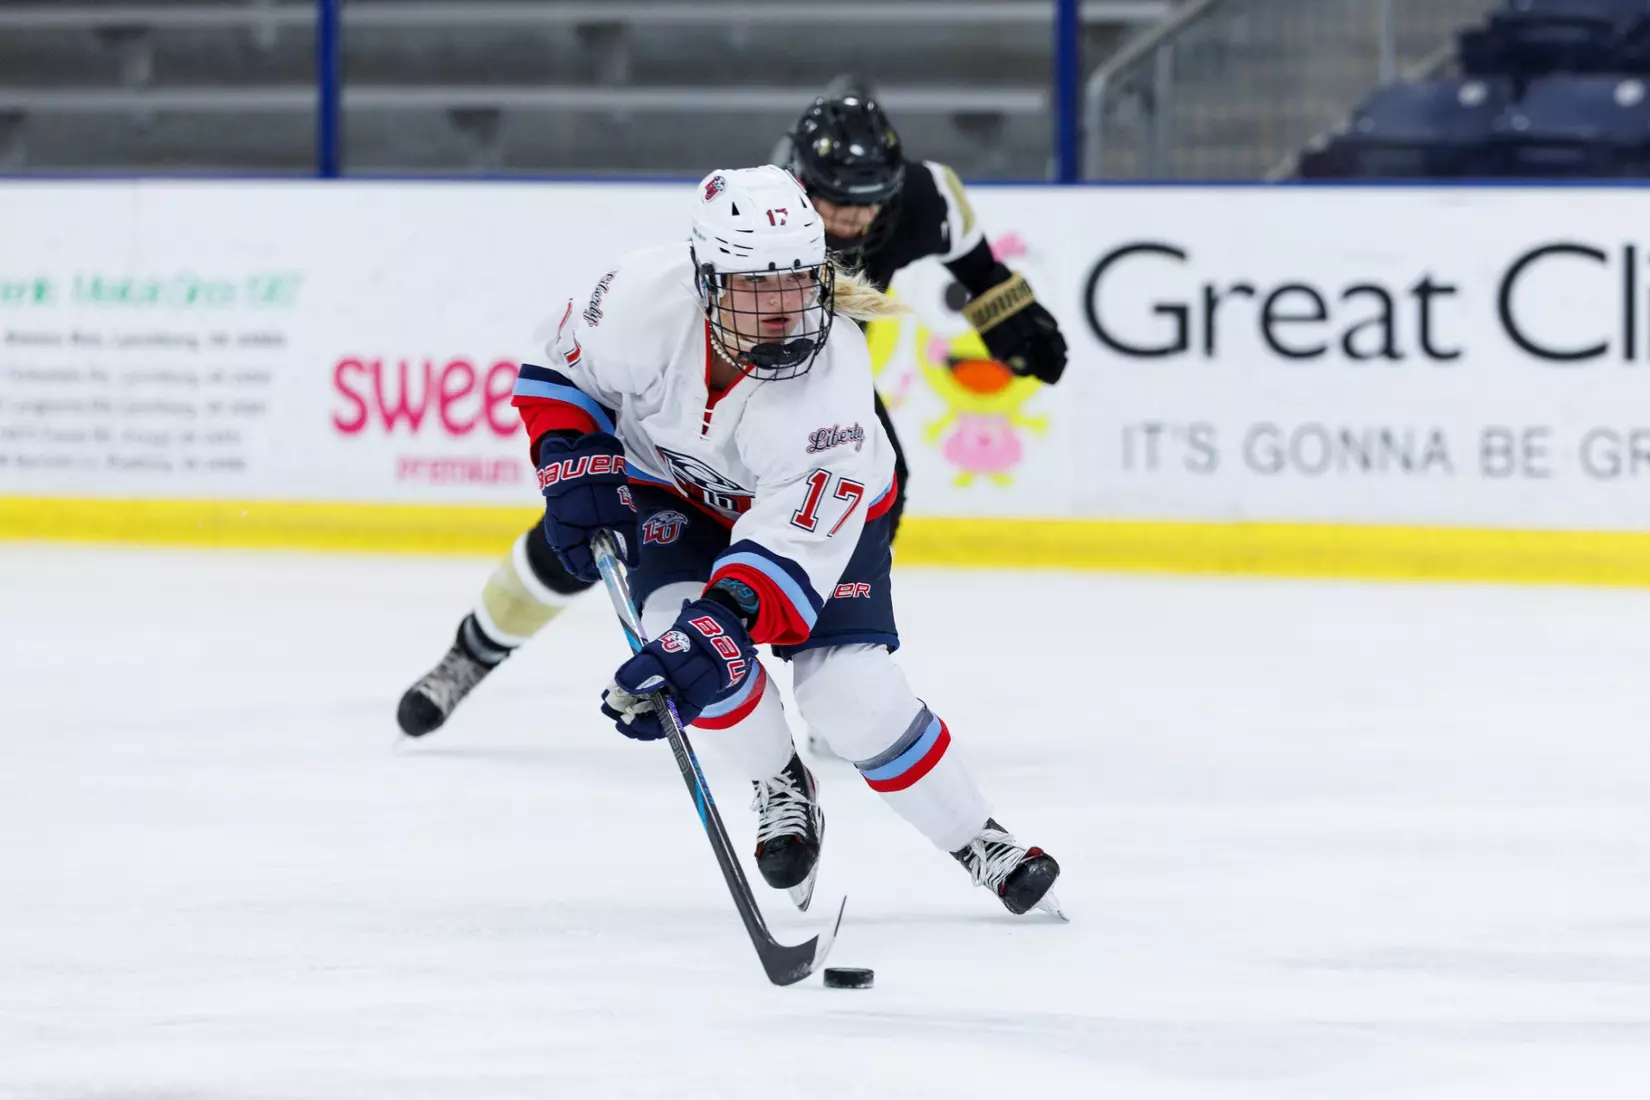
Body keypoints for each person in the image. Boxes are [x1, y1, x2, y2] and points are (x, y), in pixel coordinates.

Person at [396, 78, 1068, 741]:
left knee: (867, 496)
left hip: (816, 395)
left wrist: (1010, 312)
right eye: (834, 201)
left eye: (870, 203)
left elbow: (977, 264)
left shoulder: (926, 194)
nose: (853, 220)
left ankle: (833, 657)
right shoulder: (762, 209)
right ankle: (472, 653)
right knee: (586, 526)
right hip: (721, 383)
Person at [508, 164, 1061, 915]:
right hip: (674, 488)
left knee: (848, 694)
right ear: (705, 278)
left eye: (798, 282)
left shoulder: (830, 381)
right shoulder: (635, 299)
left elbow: (785, 552)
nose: (782, 310)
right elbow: (557, 371)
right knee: (675, 627)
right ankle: (779, 781)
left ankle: (976, 837)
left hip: (831, 515)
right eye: (754, 287)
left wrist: (722, 624)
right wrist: (570, 454)